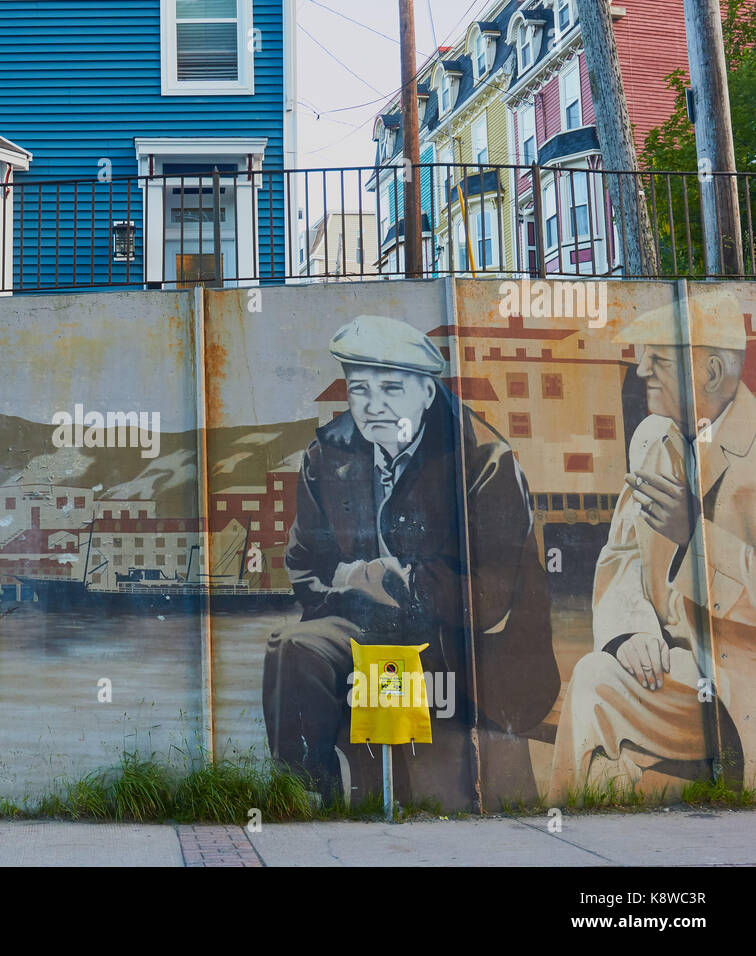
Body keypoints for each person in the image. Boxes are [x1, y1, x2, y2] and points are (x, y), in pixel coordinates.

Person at [263, 314, 557, 799]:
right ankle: (312, 794)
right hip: (363, 623)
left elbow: (491, 596)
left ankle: (393, 796)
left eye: (391, 389)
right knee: (290, 648)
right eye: (360, 389)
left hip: (467, 642)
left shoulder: (484, 460)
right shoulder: (324, 456)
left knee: (387, 665)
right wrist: (357, 581)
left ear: (425, 392)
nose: (373, 405)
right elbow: (303, 566)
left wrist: (403, 582)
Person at [547, 291, 755, 801]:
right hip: (678, 673)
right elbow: (621, 555)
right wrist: (630, 630)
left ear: (709, 372)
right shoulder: (653, 440)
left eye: (658, 358)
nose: (641, 371)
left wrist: (695, 537)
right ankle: (589, 832)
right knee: (595, 677)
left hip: (742, 681)